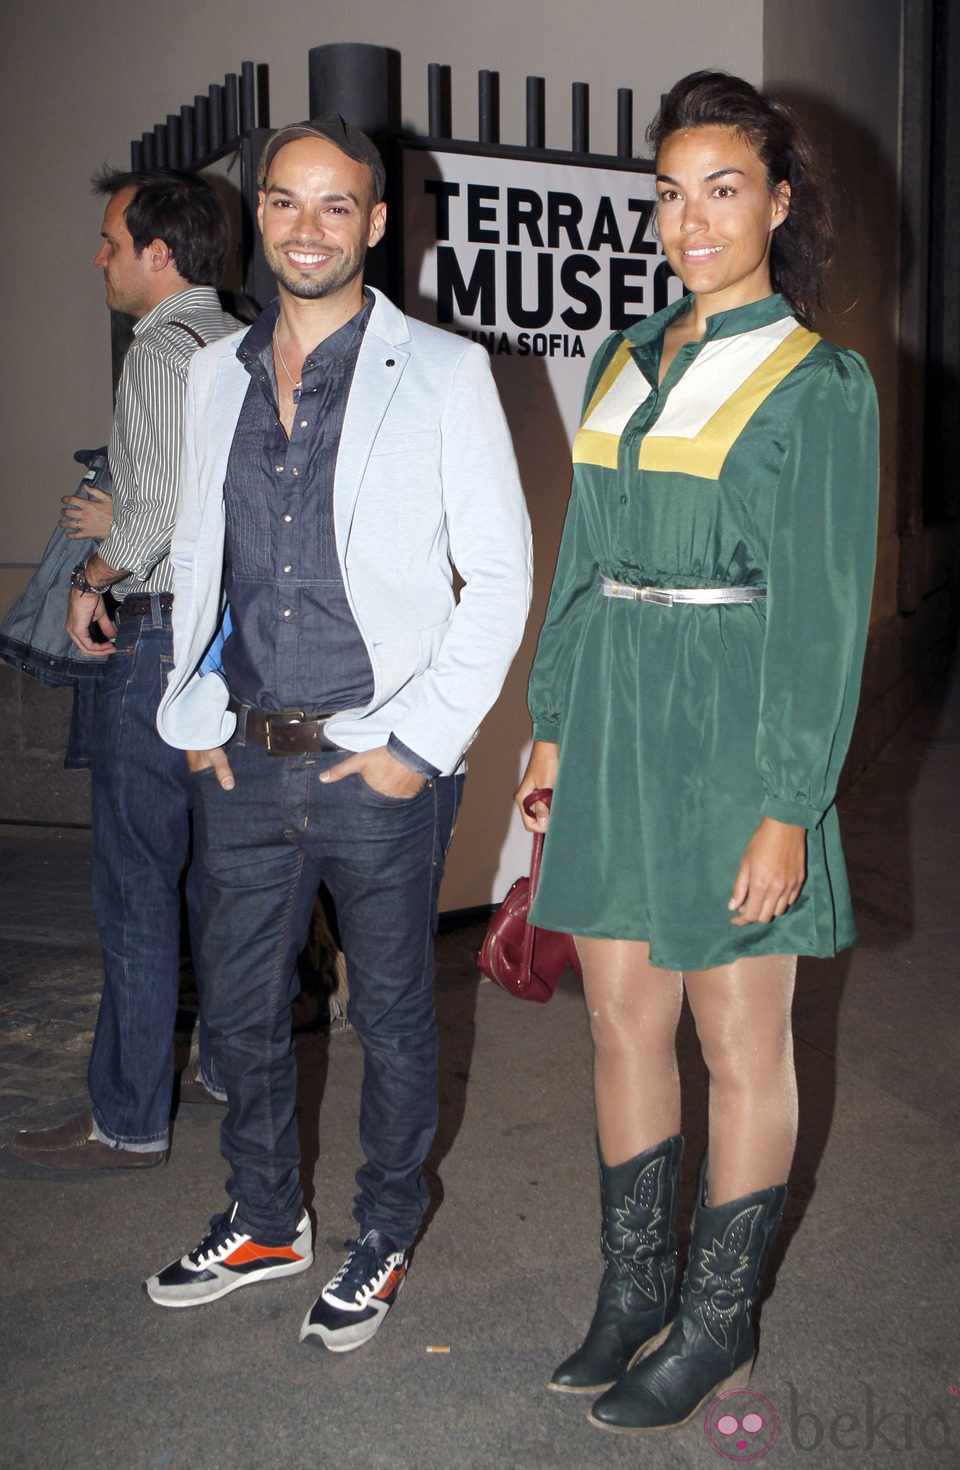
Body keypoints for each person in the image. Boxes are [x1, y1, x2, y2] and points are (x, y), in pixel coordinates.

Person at [516, 71, 878, 1433]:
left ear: (779, 205)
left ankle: (718, 1320)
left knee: (740, 1034)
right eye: (670, 194)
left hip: (738, 726)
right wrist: (551, 718)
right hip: (612, 710)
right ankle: (632, 1288)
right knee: (620, 1016)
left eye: (722, 190)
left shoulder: (819, 382)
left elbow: (828, 615)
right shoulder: (626, 356)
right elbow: (582, 560)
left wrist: (790, 802)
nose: (690, 220)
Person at [145, 117, 531, 1352]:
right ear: (257, 216)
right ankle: (265, 1217)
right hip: (244, 757)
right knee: (245, 1014)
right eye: (281, 202)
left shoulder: (445, 370)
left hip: (379, 761)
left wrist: (418, 746)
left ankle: (381, 1229)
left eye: (334, 206)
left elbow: (504, 577)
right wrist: (194, 712)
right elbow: (203, 560)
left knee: (396, 1019)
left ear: (373, 223)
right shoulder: (215, 371)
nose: (304, 227)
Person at [10, 169, 240, 1169]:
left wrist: (92, 573)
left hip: (153, 640)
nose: (98, 259)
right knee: (219, 884)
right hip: (231, 648)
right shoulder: (240, 338)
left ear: (158, 253)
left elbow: (152, 520)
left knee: (136, 888)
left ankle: (128, 1120)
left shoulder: (158, 350)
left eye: (110, 241)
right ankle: (227, 1071)